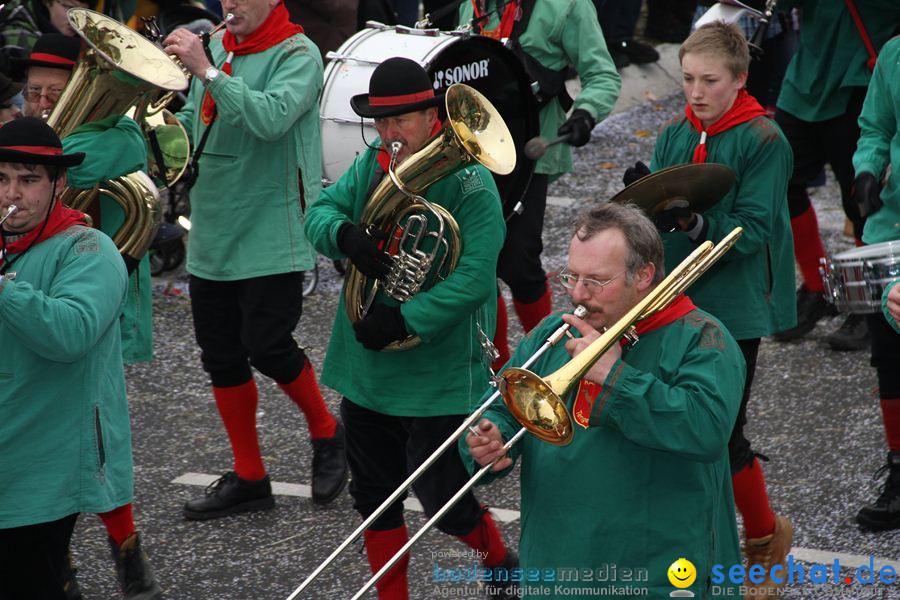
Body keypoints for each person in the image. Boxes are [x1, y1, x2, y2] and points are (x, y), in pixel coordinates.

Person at [304, 57, 516, 599]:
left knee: (444, 497)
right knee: (374, 497)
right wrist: (345, 235)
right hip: (368, 365)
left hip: (434, 371)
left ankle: (499, 558)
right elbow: (318, 214)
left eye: (401, 121)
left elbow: (475, 280)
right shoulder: (374, 161)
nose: (390, 134)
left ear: (432, 118)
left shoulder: (471, 181)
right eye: (381, 122)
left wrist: (405, 316)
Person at [464, 202, 745, 598]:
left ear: (644, 275)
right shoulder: (553, 333)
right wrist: (487, 442)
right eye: (572, 277)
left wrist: (617, 378)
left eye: (595, 281)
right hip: (556, 572)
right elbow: (501, 406)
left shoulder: (703, 339)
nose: (578, 294)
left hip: (657, 577)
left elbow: (706, 431)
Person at [163, 0, 347, 517]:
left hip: (274, 225)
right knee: (220, 354)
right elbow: (190, 125)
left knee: (267, 345)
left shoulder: (299, 54)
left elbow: (269, 118)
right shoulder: (219, 45)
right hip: (214, 227)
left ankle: (329, 434)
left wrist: (204, 69)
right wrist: (155, 117)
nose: (231, 5)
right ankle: (250, 477)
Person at [634, 21, 795, 599]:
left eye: (709, 81)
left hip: (734, 305)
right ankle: (687, 544)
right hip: (677, 298)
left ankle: (763, 540)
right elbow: (656, 226)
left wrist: (699, 223)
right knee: (667, 423)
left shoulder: (764, 140)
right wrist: (643, 203)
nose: (695, 93)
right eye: (686, 80)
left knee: (723, 432)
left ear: (740, 79)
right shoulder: (678, 133)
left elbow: (754, 231)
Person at [0, 117, 133, 599]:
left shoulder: (88, 248)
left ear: (59, 184)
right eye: (1, 178)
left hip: (45, 466)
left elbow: (69, 333)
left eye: (29, 180)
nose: (12, 193)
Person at [458, 0, 621, 372]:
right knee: (481, 265)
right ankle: (494, 370)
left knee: (519, 261)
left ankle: (545, 363)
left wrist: (585, 114)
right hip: (475, 151)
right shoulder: (472, 4)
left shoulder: (568, 6)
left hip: (531, 153)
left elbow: (603, 76)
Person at [771, 1, 900, 350]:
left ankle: (868, 299)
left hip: (860, 75)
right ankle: (818, 286)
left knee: (861, 197)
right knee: (779, 183)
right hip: (805, 78)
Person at [851, 35, 900, 532]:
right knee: (890, 358)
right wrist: (867, 169)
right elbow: (876, 128)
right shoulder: (894, 54)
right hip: (892, 232)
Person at [0, 0, 92, 72]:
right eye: (69, 7)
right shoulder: (18, 31)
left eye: (84, 12)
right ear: (47, 2)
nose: (76, 19)